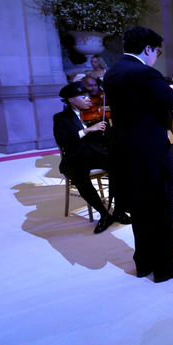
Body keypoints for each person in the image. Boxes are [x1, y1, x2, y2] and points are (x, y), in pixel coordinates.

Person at [103, 26, 173, 283]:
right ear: (147, 49)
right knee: (161, 207)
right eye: (156, 51)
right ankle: (167, 265)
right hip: (150, 151)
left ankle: (143, 262)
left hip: (125, 149)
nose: (156, 55)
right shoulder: (144, 72)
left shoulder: (112, 72)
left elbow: (138, 106)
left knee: (141, 209)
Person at [53, 81, 131, 234]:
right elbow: (63, 141)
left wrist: (108, 129)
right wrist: (87, 130)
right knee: (80, 177)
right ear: (71, 100)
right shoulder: (61, 118)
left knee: (121, 166)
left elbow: (108, 139)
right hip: (76, 157)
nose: (88, 99)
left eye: (88, 95)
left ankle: (119, 211)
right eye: (83, 96)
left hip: (97, 154)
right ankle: (104, 214)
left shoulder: (96, 114)